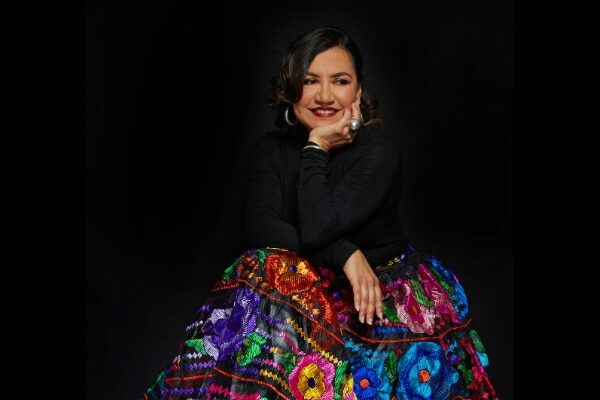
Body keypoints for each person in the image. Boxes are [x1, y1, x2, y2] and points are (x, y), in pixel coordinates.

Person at [144, 26, 498, 400]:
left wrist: (316, 148)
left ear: (358, 91)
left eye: (340, 81)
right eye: (311, 80)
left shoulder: (379, 151)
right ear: (290, 88)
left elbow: (318, 227)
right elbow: (261, 228)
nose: (325, 96)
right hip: (301, 298)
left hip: (379, 296)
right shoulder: (270, 149)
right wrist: (343, 251)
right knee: (262, 265)